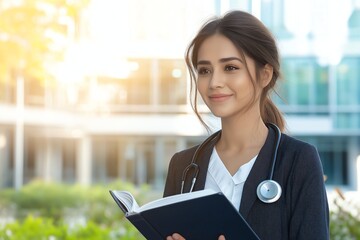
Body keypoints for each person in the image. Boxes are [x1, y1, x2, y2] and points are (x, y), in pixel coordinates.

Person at [163, 10, 329, 240]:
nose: (214, 82)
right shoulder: (183, 166)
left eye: (230, 67)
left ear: (265, 75)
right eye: (204, 70)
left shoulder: (298, 161)